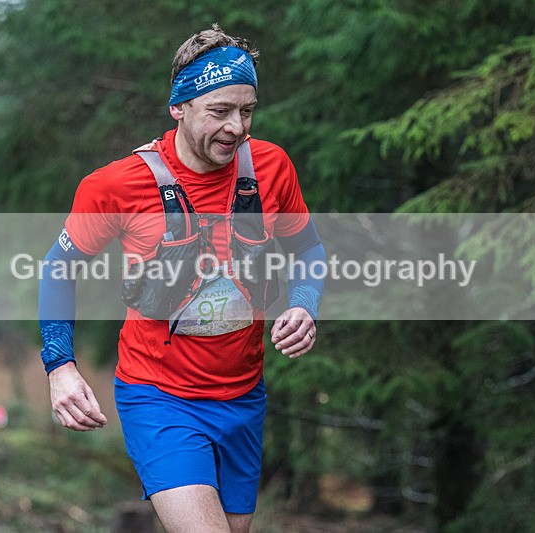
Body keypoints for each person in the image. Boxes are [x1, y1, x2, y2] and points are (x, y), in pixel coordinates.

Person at [39, 25, 325, 533]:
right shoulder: (116, 185)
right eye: (219, 112)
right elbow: (58, 268)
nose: (236, 127)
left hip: (243, 397)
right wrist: (60, 365)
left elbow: (308, 248)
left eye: (247, 110)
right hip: (159, 396)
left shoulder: (271, 167)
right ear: (179, 107)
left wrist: (304, 302)